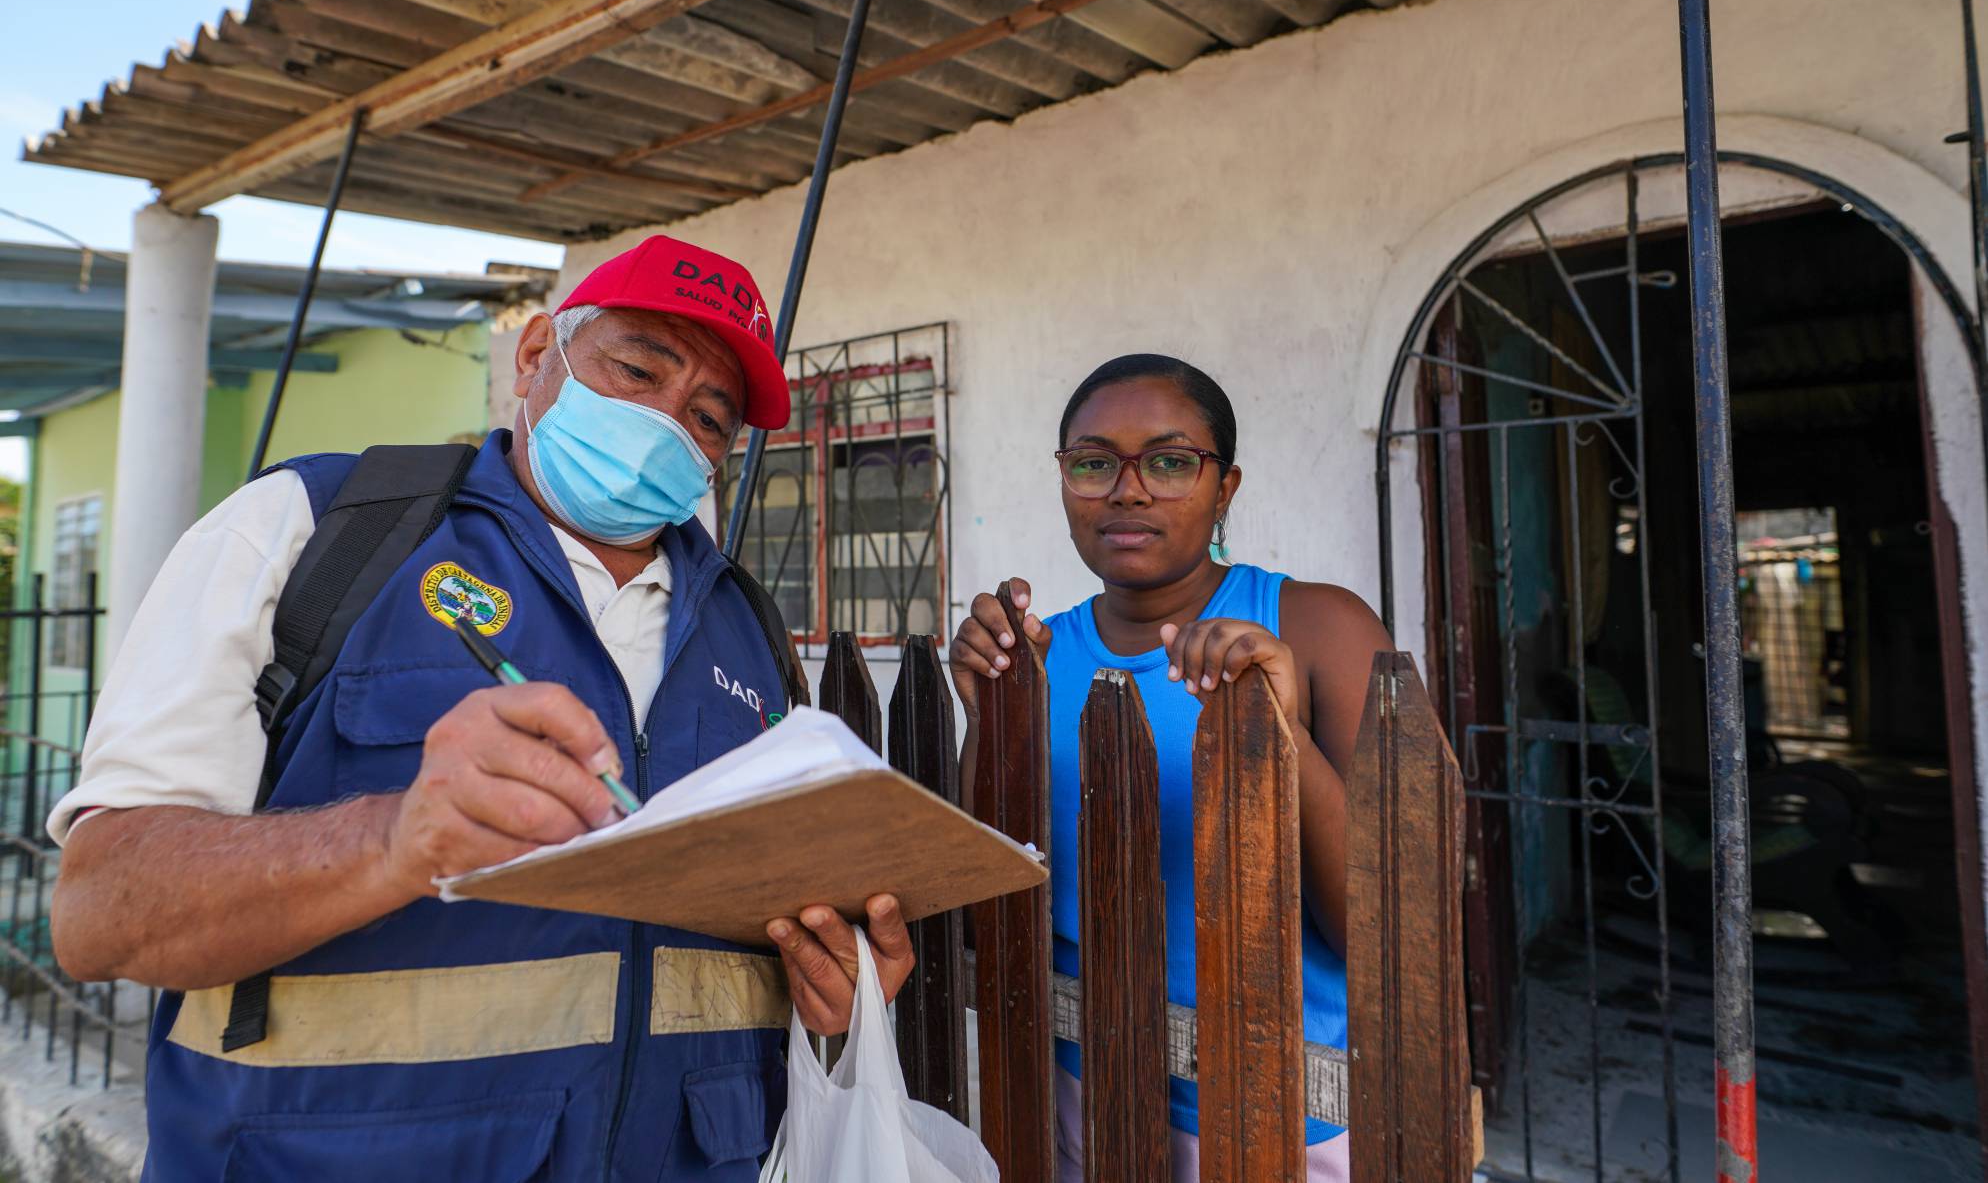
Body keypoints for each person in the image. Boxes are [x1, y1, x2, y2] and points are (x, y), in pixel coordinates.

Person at [48, 234, 913, 1182]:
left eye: (708, 419)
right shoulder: (317, 529)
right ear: (535, 355)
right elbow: (100, 911)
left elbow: (739, 953)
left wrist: (826, 988)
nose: (664, 423)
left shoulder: (746, 630)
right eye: (636, 370)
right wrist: (393, 840)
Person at [950, 353, 1394, 1182]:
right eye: (1094, 464)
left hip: (1287, 1117)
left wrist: (1282, 734)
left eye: (1169, 461)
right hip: (1081, 1093)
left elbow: (1383, 930)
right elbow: (983, 918)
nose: (1128, 490)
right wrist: (990, 721)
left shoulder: (1316, 626)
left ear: (1225, 489)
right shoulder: (1039, 653)